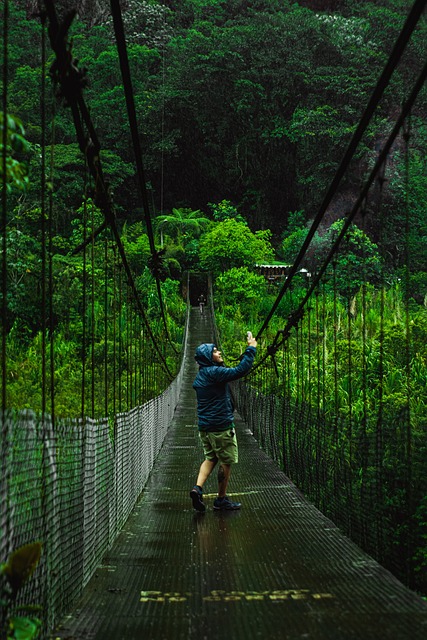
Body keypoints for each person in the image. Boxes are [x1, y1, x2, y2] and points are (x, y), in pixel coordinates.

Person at [190, 332, 257, 512]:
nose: (219, 352)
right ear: (208, 357)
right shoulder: (215, 373)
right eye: (215, 351)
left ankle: (197, 488)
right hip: (221, 427)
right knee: (225, 461)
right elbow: (239, 371)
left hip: (205, 428)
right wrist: (251, 349)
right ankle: (221, 499)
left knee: (211, 457)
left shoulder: (202, 375)